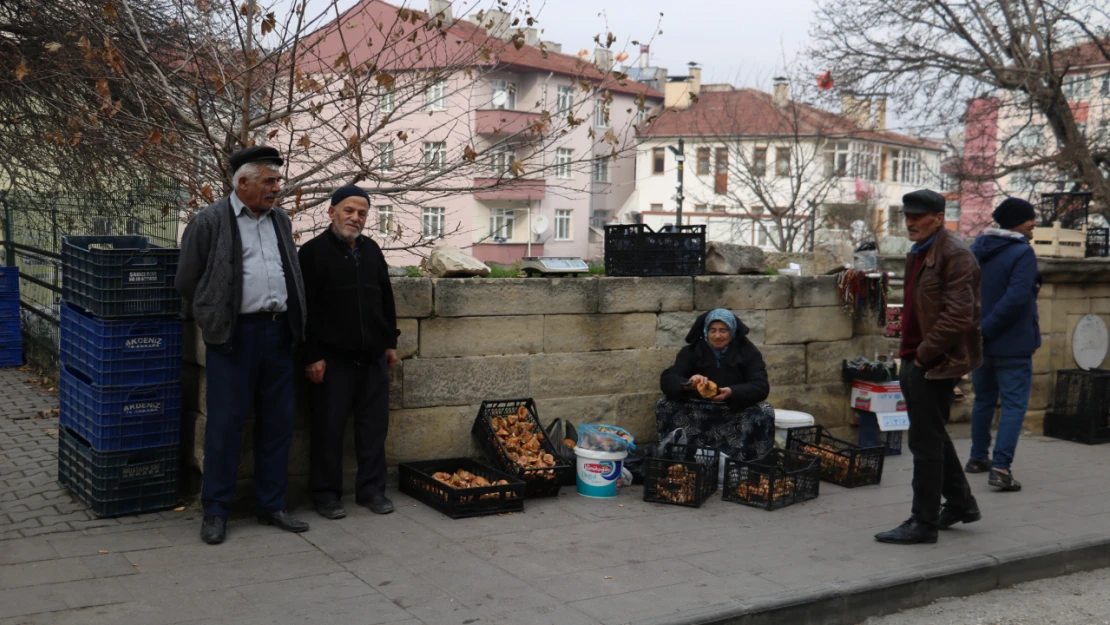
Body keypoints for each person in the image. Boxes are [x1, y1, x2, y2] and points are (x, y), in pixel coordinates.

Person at [176, 146, 309, 545]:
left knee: (277, 425)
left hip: (278, 335)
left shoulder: (280, 220)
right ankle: (216, 511)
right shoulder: (210, 221)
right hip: (233, 338)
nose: (277, 189)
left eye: (277, 181)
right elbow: (186, 282)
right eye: (269, 181)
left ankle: (272, 505)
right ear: (243, 182)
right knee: (224, 427)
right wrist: (213, 318)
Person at [875, 189, 983, 546]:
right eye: (907, 215)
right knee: (932, 433)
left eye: (918, 216)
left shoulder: (955, 255)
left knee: (924, 442)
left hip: (933, 361)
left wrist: (922, 356)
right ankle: (961, 503)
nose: (910, 222)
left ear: (938, 217)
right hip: (916, 356)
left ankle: (923, 522)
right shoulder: (921, 251)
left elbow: (958, 317)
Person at [299, 185, 399, 519]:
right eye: (348, 211)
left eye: (361, 213)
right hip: (332, 359)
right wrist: (311, 354)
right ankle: (326, 494)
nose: (355, 218)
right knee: (328, 429)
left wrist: (390, 342)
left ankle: (372, 491)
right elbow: (304, 309)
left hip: (372, 357)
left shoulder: (371, 251)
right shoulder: (312, 253)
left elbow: (385, 298)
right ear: (331, 212)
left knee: (374, 429)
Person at [967, 198, 1040, 492]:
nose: (1034, 223)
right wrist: (989, 329)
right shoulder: (1023, 252)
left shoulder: (976, 249)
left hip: (979, 342)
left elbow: (964, 292)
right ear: (1015, 222)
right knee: (1013, 406)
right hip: (1012, 343)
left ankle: (976, 458)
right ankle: (1000, 468)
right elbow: (1016, 297)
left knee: (983, 401)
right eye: (1029, 219)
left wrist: (978, 331)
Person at [657, 309, 775, 461]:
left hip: (733, 409)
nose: (717, 336)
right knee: (663, 404)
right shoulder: (691, 351)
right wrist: (688, 384)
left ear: (732, 331)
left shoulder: (748, 352)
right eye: (713, 330)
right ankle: (678, 459)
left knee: (765, 411)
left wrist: (732, 392)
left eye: (723, 330)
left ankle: (747, 462)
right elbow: (668, 379)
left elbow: (761, 385)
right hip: (697, 409)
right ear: (706, 331)